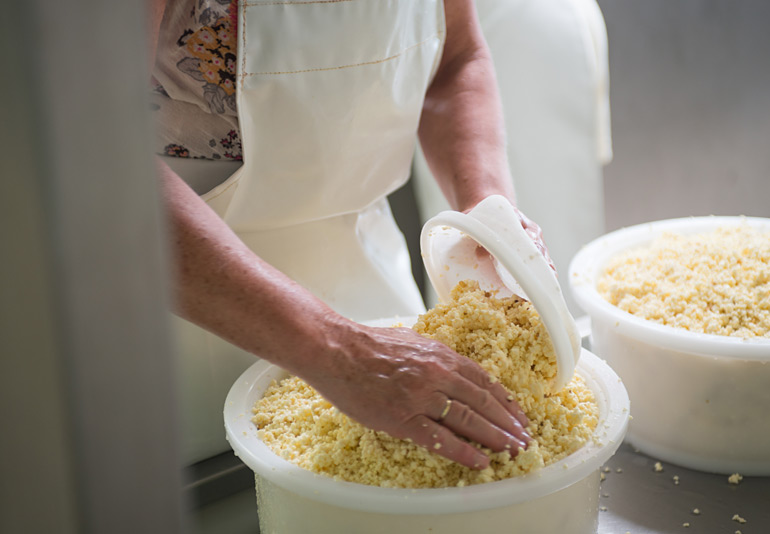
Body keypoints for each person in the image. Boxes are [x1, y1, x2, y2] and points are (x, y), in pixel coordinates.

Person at [149, 0, 551, 470]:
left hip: (375, 295)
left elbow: (456, 59)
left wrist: (487, 210)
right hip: (184, 317)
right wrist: (340, 352)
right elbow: (93, 162)